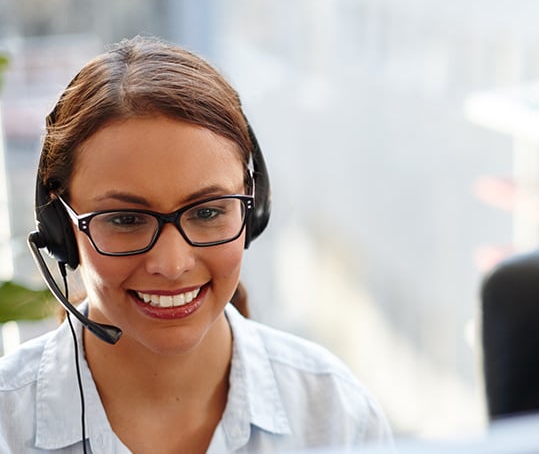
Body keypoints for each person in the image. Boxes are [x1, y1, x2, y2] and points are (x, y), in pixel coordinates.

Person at [0, 36, 394, 452]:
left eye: (207, 212)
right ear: (59, 226)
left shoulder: (334, 414)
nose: (171, 265)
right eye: (126, 219)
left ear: (253, 208)